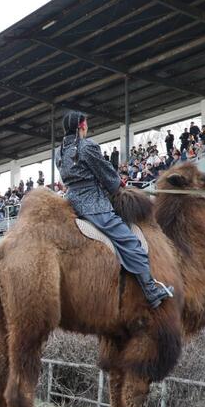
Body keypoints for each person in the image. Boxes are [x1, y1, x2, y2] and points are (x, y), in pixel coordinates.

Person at [57, 111, 173, 308]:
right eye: (86, 124)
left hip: (71, 203)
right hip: (93, 204)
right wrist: (118, 183)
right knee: (129, 241)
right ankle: (151, 290)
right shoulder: (87, 146)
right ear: (82, 126)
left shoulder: (60, 151)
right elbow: (106, 173)